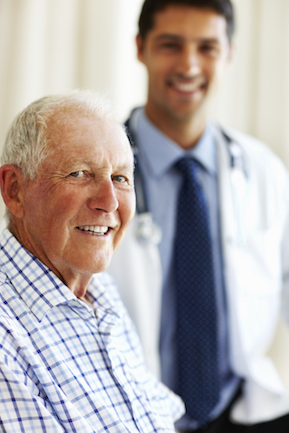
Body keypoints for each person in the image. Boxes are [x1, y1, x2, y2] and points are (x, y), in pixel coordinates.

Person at [107, 0, 289, 431]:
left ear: (229, 54)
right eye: (170, 45)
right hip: (127, 415)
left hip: (243, 412)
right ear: (140, 48)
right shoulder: (87, 174)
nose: (189, 65)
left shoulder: (264, 170)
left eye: (207, 47)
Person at [0, 90, 184, 432]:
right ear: (14, 190)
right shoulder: (6, 336)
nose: (109, 202)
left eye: (120, 178)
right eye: (80, 173)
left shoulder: (102, 291)